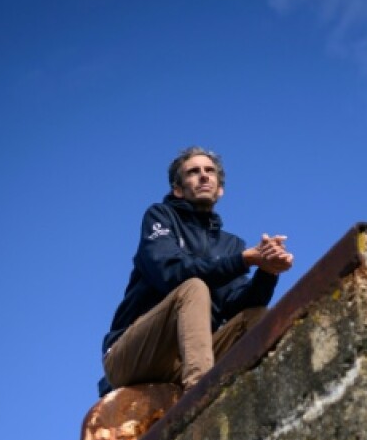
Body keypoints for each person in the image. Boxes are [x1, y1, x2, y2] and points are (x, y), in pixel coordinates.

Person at [99, 146, 293, 396]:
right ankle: (200, 398)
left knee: (257, 316)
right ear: (177, 190)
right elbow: (169, 273)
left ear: (220, 189)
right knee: (193, 288)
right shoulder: (160, 217)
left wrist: (267, 271)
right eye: (193, 172)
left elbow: (237, 306)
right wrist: (242, 261)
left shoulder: (231, 244)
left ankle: (274, 396)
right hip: (133, 356)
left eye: (209, 171)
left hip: (183, 361)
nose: (204, 176)